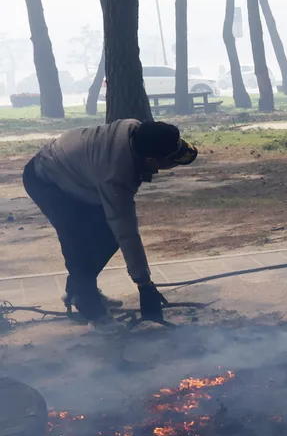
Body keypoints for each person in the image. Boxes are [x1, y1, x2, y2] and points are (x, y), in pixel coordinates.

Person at [23, 119, 198, 323]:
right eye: (171, 160)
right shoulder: (115, 174)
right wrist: (144, 285)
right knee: (77, 243)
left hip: (80, 178)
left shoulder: (135, 130)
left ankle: (78, 289)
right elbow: (126, 231)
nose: (173, 164)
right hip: (47, 179)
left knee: (106, 237)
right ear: (150, 160)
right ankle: (92, 311)